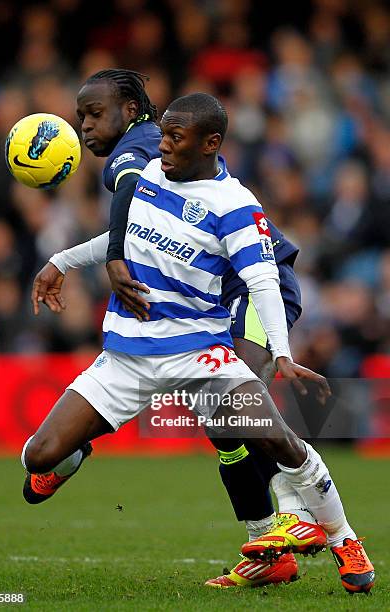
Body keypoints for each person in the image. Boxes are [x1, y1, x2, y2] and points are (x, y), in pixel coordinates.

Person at [26, 85, 373, 594]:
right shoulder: (150, 175)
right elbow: (122, 237)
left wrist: (283, 354)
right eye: (162, 133)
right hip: (129, 354)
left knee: (264, 431)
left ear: (209, 143)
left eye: (174, 137)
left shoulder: (235, 206)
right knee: (39, 457)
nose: (161, 146)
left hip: (201, 348)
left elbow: (261, 282)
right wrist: (61, 261)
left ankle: (336, 534)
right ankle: (270, 536)